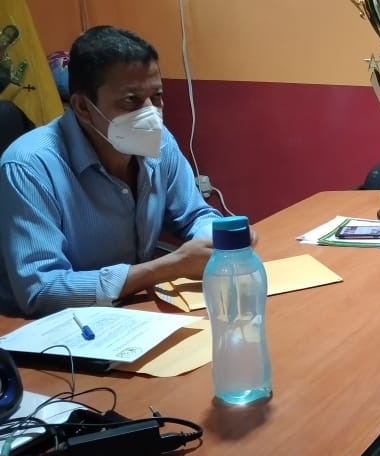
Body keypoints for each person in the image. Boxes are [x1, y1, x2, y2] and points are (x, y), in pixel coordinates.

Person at [0, 26, 227, 318]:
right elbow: (42, 291)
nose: (151, 114)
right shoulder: (29, 165)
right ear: (83, 106)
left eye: (157, 96)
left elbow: (194, 215)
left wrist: (219, 240)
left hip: (132, 310)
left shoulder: (159, 141)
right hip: (47, 326)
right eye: (131, 100)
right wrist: (169, 267)